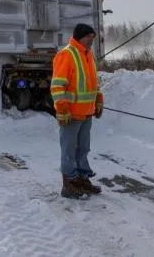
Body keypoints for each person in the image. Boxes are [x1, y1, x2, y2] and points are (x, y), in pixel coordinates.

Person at [50, 23, 104, 198]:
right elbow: (57, 85)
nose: (91, 40)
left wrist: (98, 98)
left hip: (86, 113)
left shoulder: (88, 55)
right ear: (81, 37)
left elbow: (92, 81)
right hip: (71, 114)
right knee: (69, 150)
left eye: (93, 37)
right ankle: (69, 184)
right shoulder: (67, 54)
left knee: (83, 149)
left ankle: (82, 179)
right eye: (89, 36)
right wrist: (62, 108)